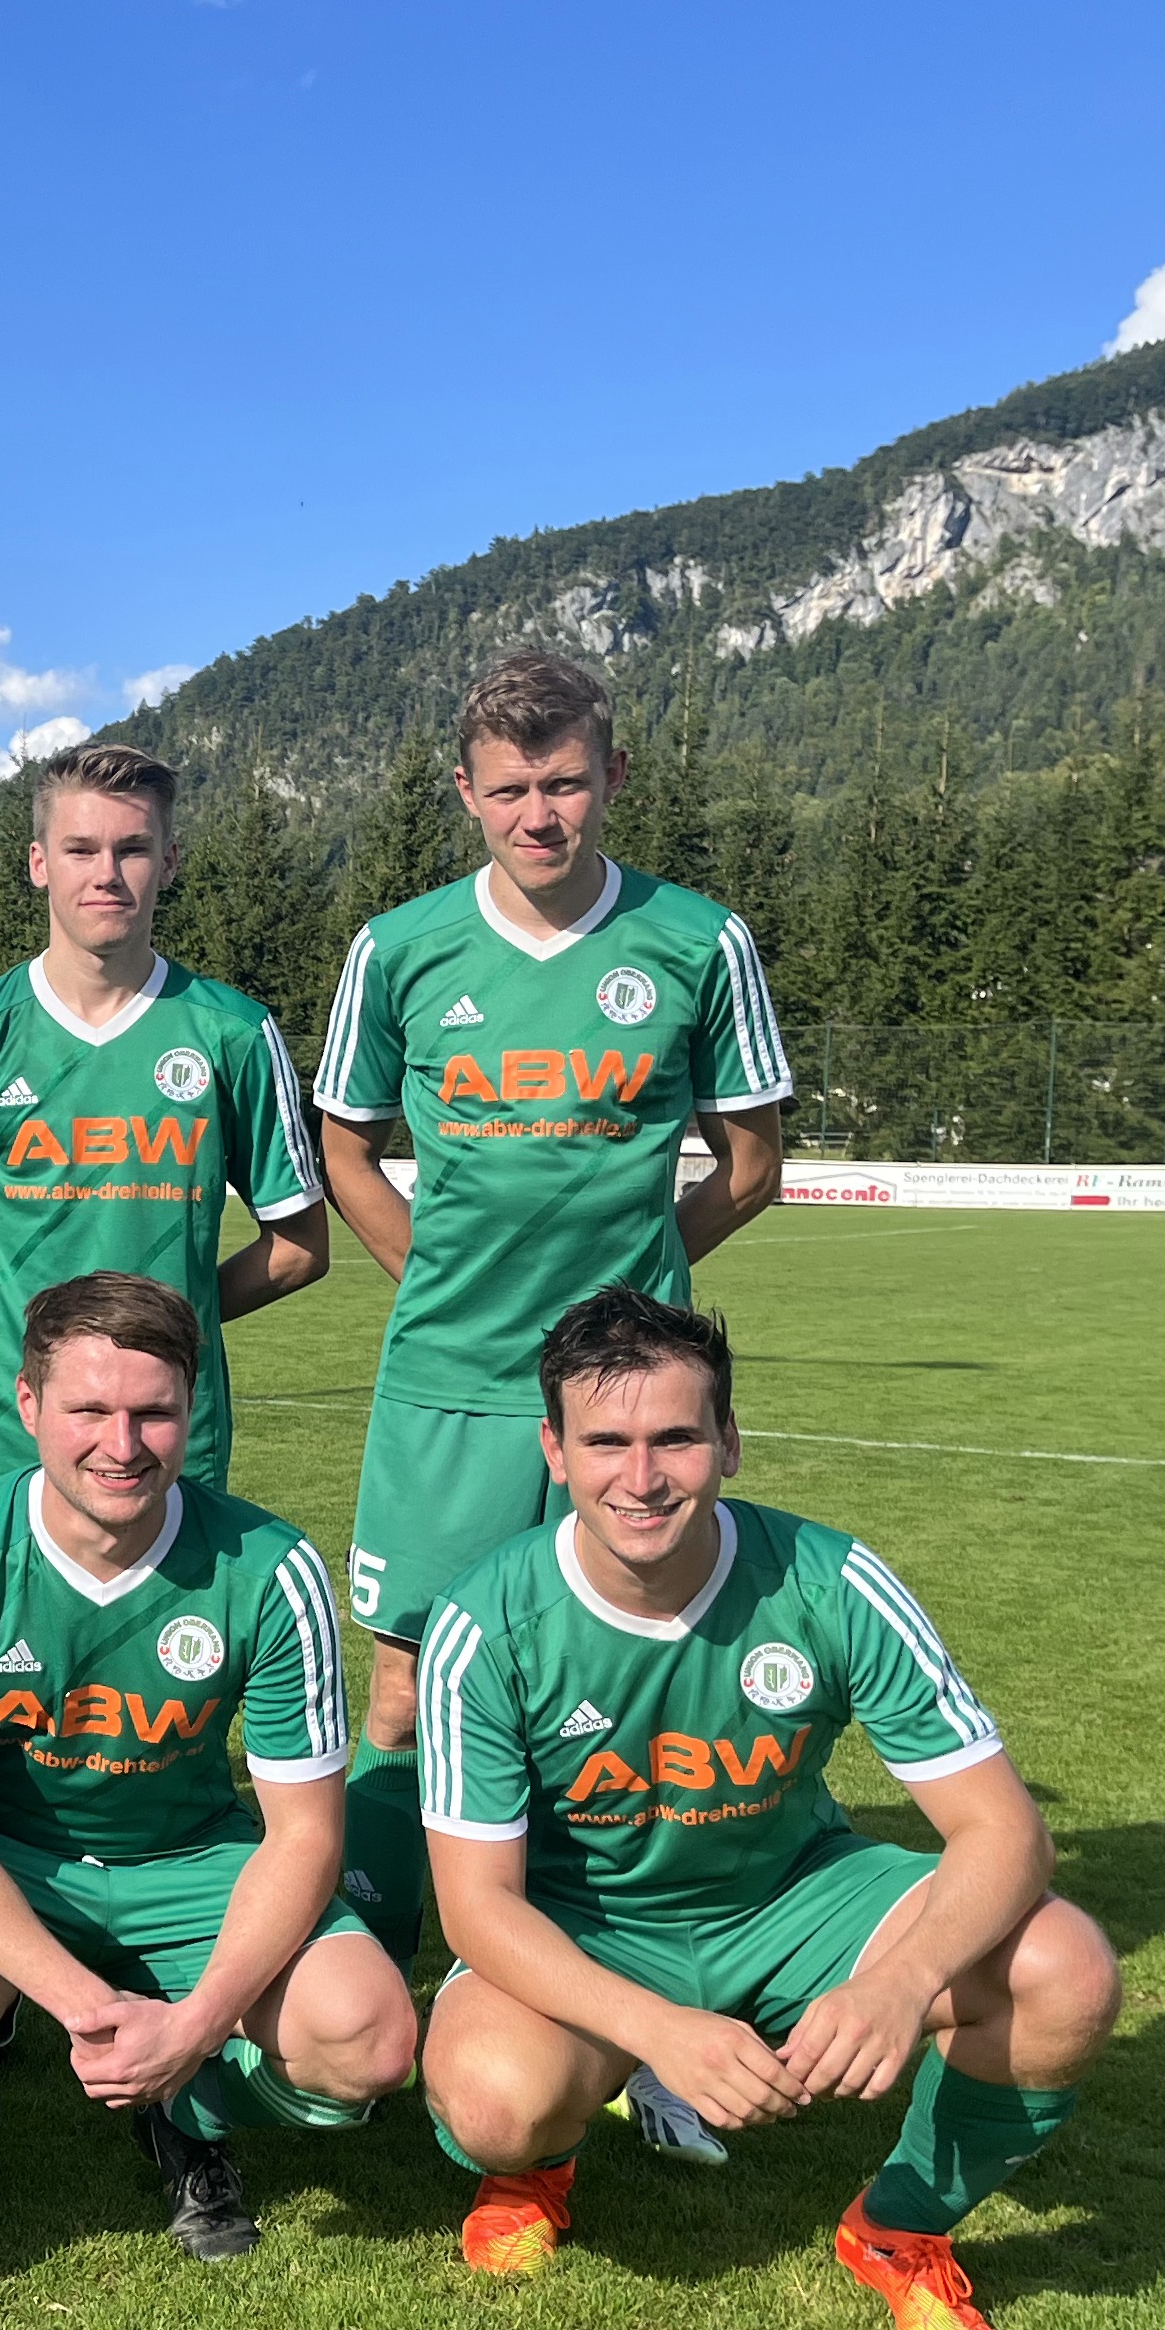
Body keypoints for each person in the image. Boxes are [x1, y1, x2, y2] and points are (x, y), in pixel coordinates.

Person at [416, 1289, 1117, 2330]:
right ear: (554, 1452)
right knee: (493, 2100)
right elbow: (476, 1907)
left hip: (794, 1899)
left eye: (676, 1438)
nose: (641, 1478)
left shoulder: (830, 1583)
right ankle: (537, 2166)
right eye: (604, 1443)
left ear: (730, 1442)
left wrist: (901, 1982)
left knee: (1064, 1968)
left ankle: (900, 2227)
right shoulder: (486, 1622)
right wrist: (660, 2032)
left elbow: (1006, 1831)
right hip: (590, 1921)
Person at [314, 649, 791, 2157]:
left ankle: (640, 2000)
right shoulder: (399, 949)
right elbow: (344, 1145)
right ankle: (372, 1984)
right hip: (447, 1388)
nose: (541, 814)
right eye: (512, 788)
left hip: (625, 1401)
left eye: (567, 782)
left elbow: (753, 1162)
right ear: (467, 792)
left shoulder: (699, 940)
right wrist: (437, 1279)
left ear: (613, 778)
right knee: (406, 1689)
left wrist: (628, 1317)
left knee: (642, 1685)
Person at [0, 1273, 409, 2256]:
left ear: (192, 1408)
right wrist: (86, 2005)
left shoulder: (270, 1567)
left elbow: (305, 1836)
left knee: (370, 2039)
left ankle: (188, 2106)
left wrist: (194, 2028)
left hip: (189, 1860)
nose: (122, 1445)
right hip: (2, 1852)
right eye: (88, 1411)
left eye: (154, 1413)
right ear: (29, 1404)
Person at [0, 742, 327, 1495]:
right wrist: (38, 1339)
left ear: (169, 862)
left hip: (168, 1437)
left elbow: (300, 1248)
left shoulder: (235, 1034)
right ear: (39, 863)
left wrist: (158, 1333)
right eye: (80, 849)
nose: (106, 873)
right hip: (2, 1436)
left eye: (133, 849)